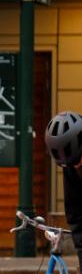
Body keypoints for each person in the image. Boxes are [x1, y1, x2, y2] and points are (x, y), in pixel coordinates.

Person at [48, 112, 82, 265]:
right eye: (72, 164)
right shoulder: (70, 166)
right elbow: (75, 214)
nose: (77, 167)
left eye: (79, 161)